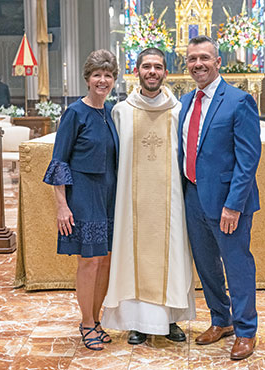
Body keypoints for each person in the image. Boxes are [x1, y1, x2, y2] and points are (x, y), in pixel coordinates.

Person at [102, 48, 195, 344]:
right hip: (132, 204)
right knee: (132, 256)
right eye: (146, 66)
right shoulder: (121, 111)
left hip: (171, 203)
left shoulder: (179, 111)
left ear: (166, 72)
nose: (152, 71)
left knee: (174, 254)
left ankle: (171, 320)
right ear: (137, 71)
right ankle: (136, 322)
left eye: (157, 67)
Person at [178, 36, 261, 361]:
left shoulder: (239, 101)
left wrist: (233, 205)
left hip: (228, 202)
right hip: (193, 197)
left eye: (204, 58)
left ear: (218, 62)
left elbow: (248, 159)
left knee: (236, 265)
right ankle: (220, 319)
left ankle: (245, 330)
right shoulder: (184, 102)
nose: (198, 64)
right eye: (192, 59)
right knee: (207, 266)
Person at [43, 49, 119, 351]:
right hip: (84, 195)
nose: (103, 80)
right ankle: (86, 322)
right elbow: (59, 160)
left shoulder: (111, 111)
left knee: (106, 260)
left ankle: (97, 319)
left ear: (114, 79)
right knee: (89, 261)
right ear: (87, 78)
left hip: (109, 194)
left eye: (108, 75)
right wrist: (62, 205)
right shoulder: (75, 112)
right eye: (97, 74)